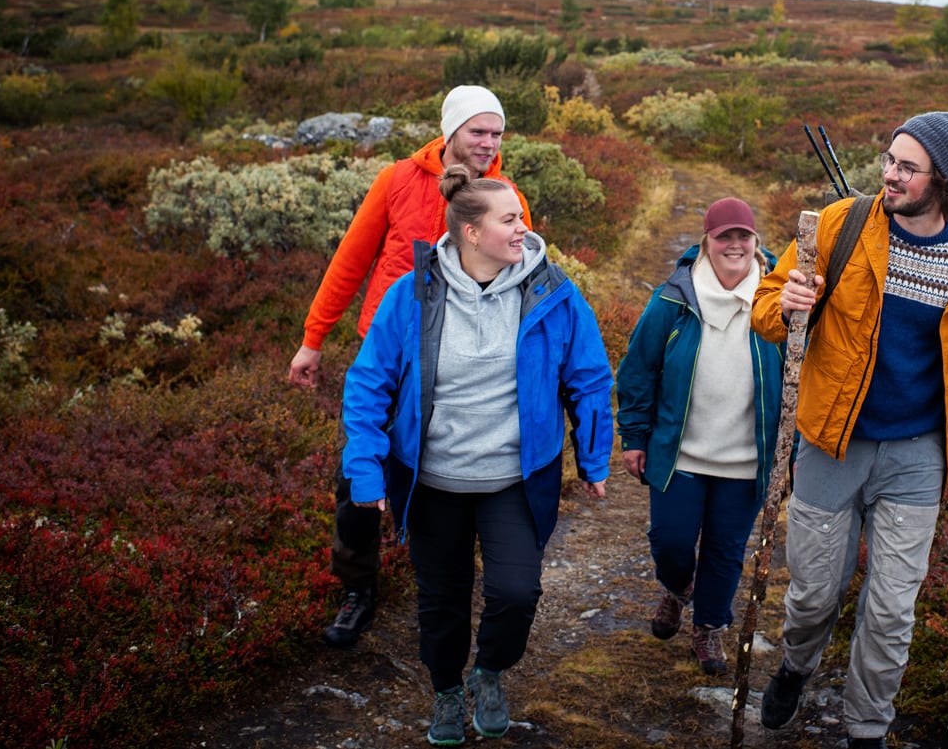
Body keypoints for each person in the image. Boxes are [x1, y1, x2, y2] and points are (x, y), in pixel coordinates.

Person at [749, 111, 948, 749]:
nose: (890, 174)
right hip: (830, 441)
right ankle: (798, 664)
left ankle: (867, 729)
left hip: (918, 454)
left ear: (943, 181)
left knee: (892, 611)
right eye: (890, 159)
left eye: (907, 167)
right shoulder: (841, 225)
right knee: (815, 594)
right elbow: (765, 306)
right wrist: (787, 306)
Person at [339, 167, 613, 746]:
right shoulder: (412, 292)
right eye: (509, 219)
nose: (522, 229)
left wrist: (593, 459)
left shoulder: (553, 291)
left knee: (517, 592)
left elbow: (589, 378)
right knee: (442, 601)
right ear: (470, 231)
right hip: (432, 481)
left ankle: (488, 673)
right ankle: (445, 691)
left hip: (513, 477)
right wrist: (365, 468)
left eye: (520, 218)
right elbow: (368, 385)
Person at [288, 85, 533, 649]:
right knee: (358, 478)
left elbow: (523, 276)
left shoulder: (504, 193)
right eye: (478, 131)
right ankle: (358, 588)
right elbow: (351, 260)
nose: (488, 143)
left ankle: (445, 576)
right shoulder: (397, 180)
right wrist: (313, 338)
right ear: (450, 132)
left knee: (448, 475)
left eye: (496, 133)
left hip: (462, 367)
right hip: (390, 356)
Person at [615, 197, 786, 674]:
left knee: (725, 550)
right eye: (723, 236)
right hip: (680, 454)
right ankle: (676, 587)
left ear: (756, 243)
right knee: (671, 542)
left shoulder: (777, 301)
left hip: (747, 460)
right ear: (706, 242)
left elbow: (803, 377)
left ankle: (709, 628)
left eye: (743, 237)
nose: (734, 244)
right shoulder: (672, 298)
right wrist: (634, 435)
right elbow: (638, 371)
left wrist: (790, 457)